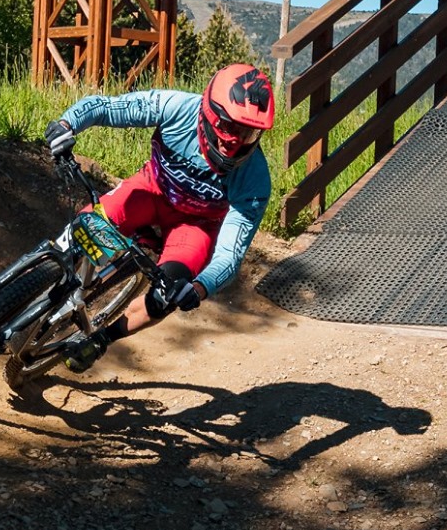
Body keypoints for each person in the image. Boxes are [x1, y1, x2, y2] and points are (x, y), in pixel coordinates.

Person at [42, 63, 276, 370]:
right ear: (208, 110)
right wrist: (67, 124)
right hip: (150, 192)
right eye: (229, 126)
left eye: (248, 133)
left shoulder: (255, 179)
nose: (233, 143)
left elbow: (229, 254)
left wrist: (199, 287)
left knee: (167, 296)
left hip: (194, 227)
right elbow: (107, 108)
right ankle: (39, 283)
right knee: (83, 229)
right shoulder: (175, 108)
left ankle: (101, 340)